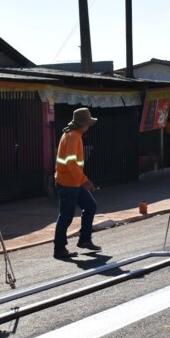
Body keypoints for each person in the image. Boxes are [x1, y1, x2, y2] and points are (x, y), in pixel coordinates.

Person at [53, 107, 100, 259]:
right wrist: (84, 180)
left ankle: (85, 240)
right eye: (88, 123)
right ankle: (59, 249)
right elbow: (71, 163)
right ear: (83, 124)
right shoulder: (73, 136)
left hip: (73, 182)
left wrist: (81, 181)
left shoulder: (72, 134)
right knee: (66, 216)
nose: (89, 127)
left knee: (90, 206)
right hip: (68, 183)